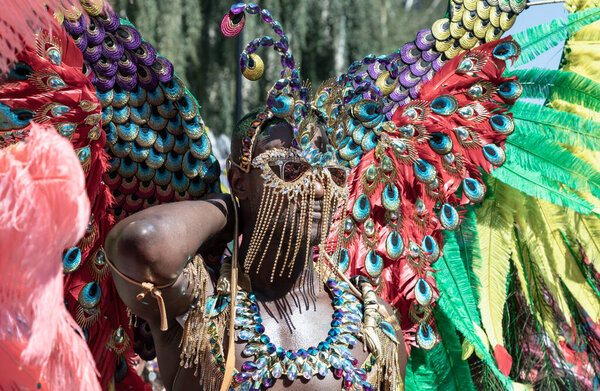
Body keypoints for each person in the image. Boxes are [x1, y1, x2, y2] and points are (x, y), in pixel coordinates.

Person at [105, 107, 408, 391]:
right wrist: (230, 210)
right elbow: (142, 243)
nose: (317, 189)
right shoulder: (199, 308)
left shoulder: (372, 324)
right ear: (238, 181)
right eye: (292, 170)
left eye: (329, 174)